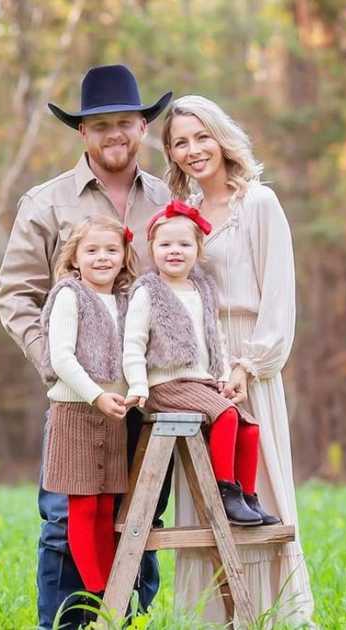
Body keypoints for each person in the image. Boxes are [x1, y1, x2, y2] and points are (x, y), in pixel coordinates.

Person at [0, 64, 172, 629]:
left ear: (142, 126)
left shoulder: (167, 199)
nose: (114, 134)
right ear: (82, 133)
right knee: (65, 522)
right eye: (101, 126)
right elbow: (16, 295)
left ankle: (130, 619)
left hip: (152, 397)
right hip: (78, 399)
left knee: (141, 515)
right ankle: (66, 624)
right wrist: (57, 362)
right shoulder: (46, 203)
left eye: (125, 122)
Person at [160, 95, 314, 623]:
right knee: (202, 495)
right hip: (197, 364)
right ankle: (212, 616)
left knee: (258, 483)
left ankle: (272, 613)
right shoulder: (181, 216)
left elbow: (279, 295)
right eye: (180, 142)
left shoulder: (260, 204)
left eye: (201, 136)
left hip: (250, 360)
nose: (193, 150)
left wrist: (250, 365)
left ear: (222, 137)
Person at [123, 201, 280, 527]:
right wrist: (138, 384)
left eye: (184, 244)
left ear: (198, 249)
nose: (174, 251)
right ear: (152, 249)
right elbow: (133, 343)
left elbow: (216, 339)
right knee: (225, 415)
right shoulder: (147, 291)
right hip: (164, 385)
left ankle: (247, 496)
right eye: (165, 245)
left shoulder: (202, 289)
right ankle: (224, 492)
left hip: (201, 384)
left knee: (248, 426)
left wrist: (222, 377)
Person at [39, 215, 138, 599]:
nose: (102, 258)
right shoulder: (69, 295)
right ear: (75, 258)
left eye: (112, 250)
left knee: (107, 506)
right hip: (77, 413)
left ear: (124, 255)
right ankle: (99, 593)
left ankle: (114, 587)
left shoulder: (126, 300)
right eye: (92, 250)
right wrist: (96, 395)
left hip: (114, 415)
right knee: (83, 507)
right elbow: (62, 357)